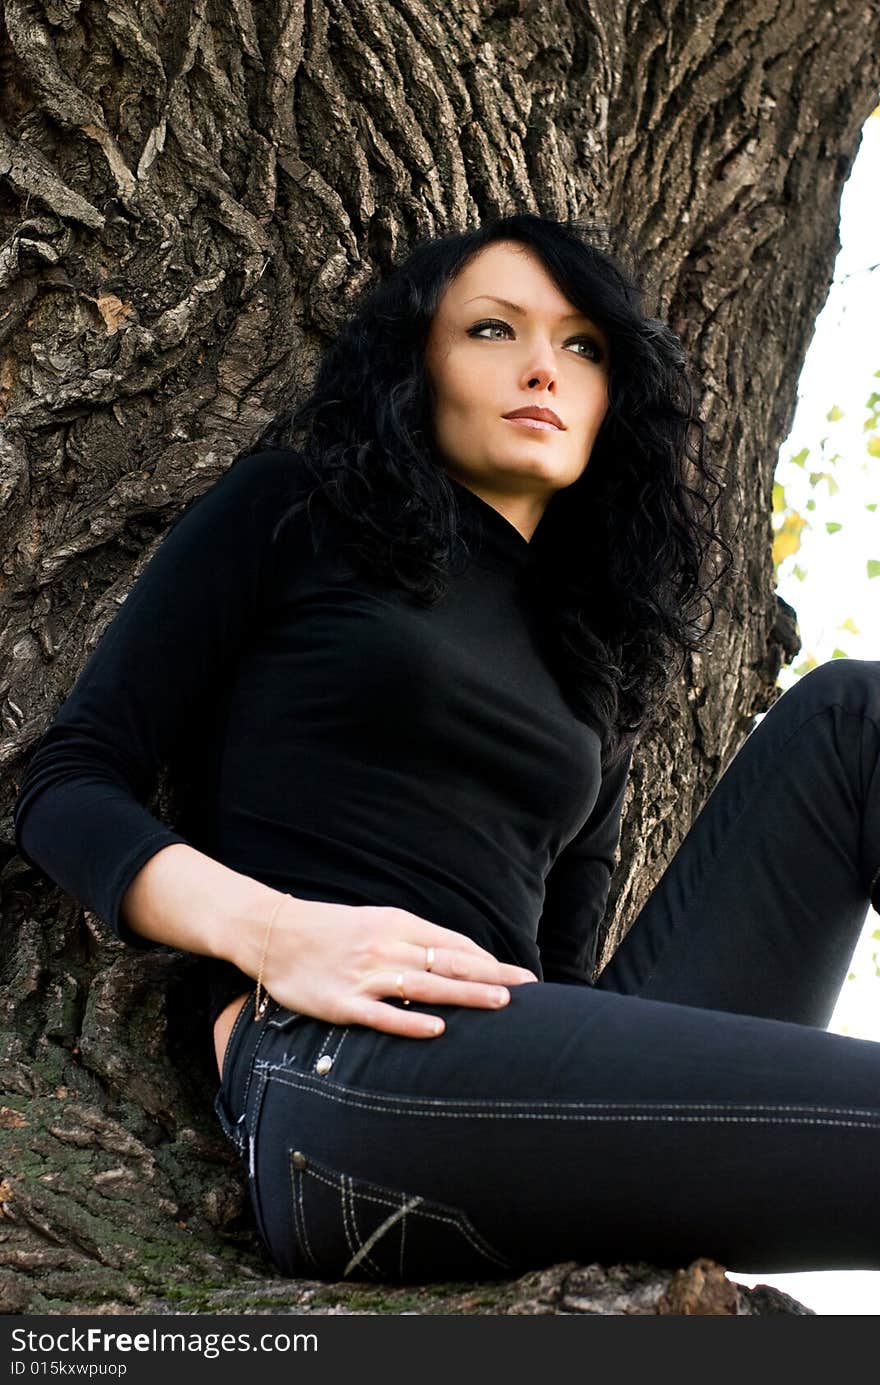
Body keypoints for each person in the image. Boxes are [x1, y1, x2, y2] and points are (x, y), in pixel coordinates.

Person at [13, 213, 880, 1288]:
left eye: (582, 346)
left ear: (616, 399)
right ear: (414, 362)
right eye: (490, 329)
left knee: (853, 714)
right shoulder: (294, 511)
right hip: (338, 1069)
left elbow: (566, 989)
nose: (540, 369)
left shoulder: (589, 663)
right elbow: (65, 784)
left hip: (514, 1079)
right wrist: (279, 935)